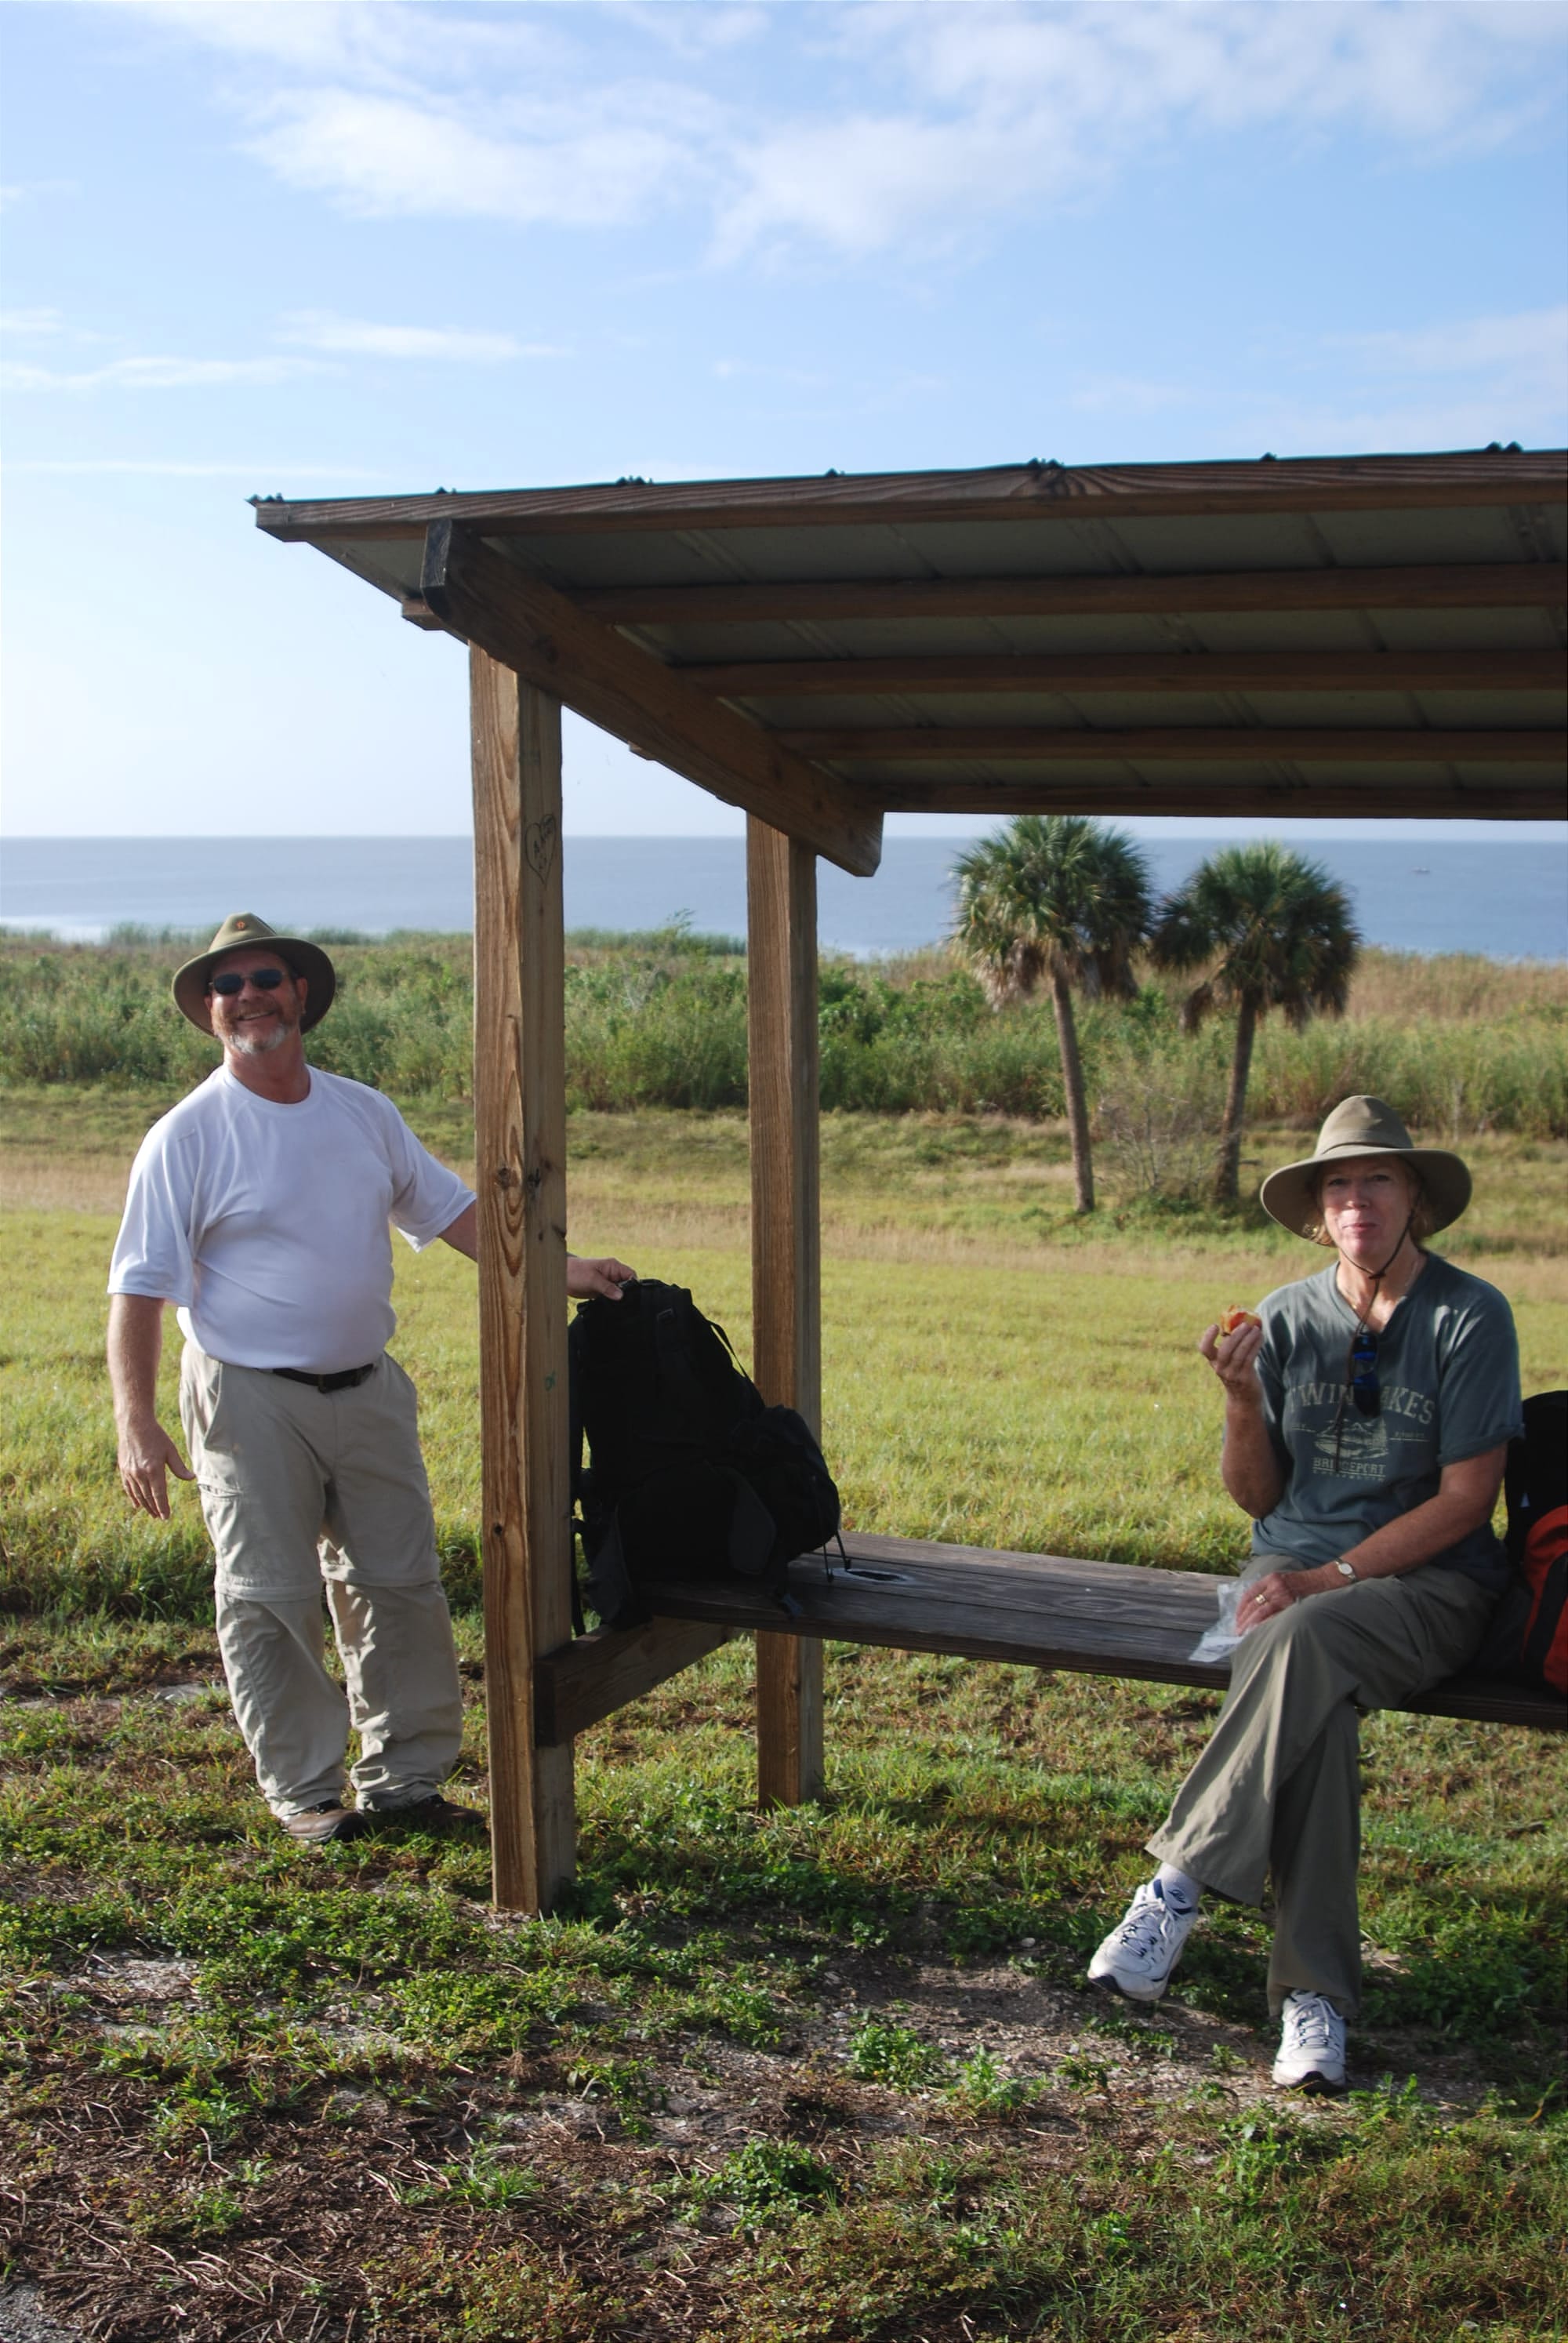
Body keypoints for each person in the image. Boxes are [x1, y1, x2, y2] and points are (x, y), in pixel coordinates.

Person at [107, 914, 633, 1846]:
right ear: (210, 1012)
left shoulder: (362, 1112)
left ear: (300, 993)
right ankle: (306, 1794)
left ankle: (408, 1783)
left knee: (400, 1585)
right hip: (247, 1397)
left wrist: (571, 1271)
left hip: (370, 1390)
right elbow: (139, 1287)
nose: (246, 999)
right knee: (269, 1597)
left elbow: (458, 1216)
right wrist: (136, 1422)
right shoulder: (186, 1136)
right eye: (225, 988)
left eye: (264, 978)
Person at [1087, 1096, 1522, 2091]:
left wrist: (1326, 1577)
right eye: (1337, 1185)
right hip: (1285, 1578)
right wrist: (1241, 1401)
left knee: (1302, 1642)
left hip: (1426, 1587)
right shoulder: (1281, 1317)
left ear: (1413, 1198)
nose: (1356, 1199)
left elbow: (1466, 1502)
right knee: (1311, 1718)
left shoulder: (1468, 1315)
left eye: (1376, 1179)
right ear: (1316, 1213)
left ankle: (1176, 1883)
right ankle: (1311, 2005)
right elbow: (1257, 1497)